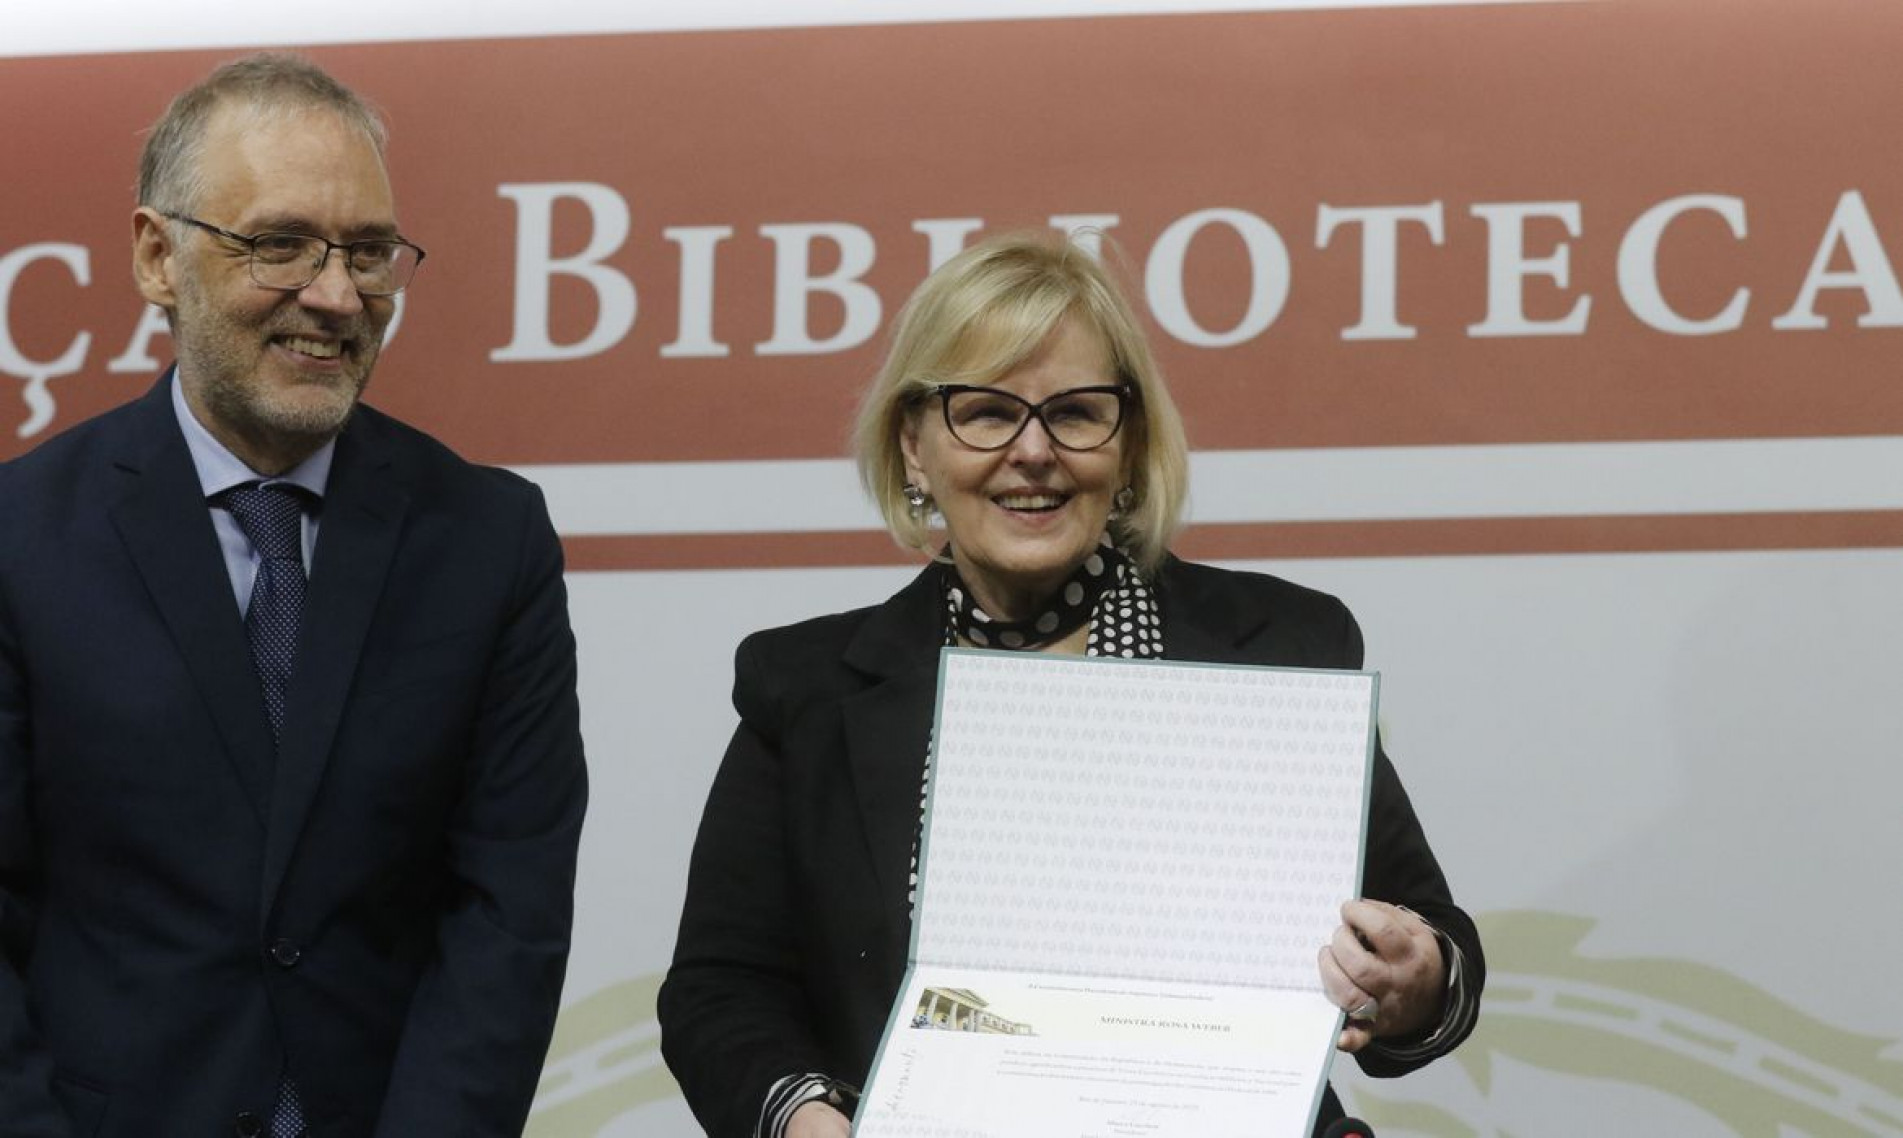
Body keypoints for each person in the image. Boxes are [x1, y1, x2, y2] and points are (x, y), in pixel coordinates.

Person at [659, 231, 1481, 1138]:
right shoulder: (804, 691)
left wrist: (1412, 981)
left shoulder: (1280, 647)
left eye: (1077, 412)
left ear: (1128, 442)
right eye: (984, 410)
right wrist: (806, 1120)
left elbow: (1431, 944)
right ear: (914, 445)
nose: (1033, 451)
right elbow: (719, 991)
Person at [0, 54, 587, 1137]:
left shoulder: (488, 540)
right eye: (278, 244)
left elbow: (508, 912)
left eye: (369, 253)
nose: (334, 294)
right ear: (155, 256)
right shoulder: (20, 536)